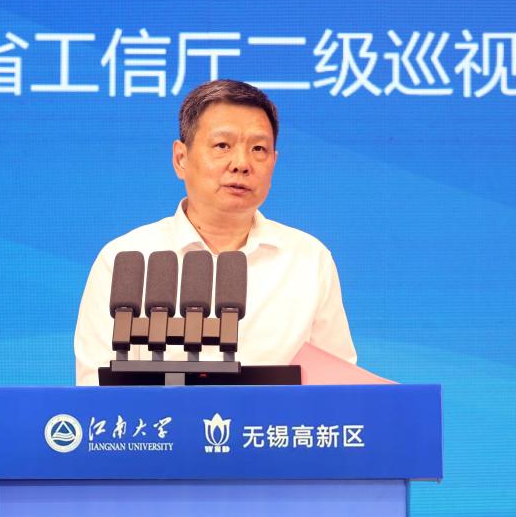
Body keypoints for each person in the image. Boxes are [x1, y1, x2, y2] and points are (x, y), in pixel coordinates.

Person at [74, 79, 356, 385]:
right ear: (181, 159)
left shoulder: (308, 260)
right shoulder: (126, 260)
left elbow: (339, 388)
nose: (242, 164)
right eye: (222, 146)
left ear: (274, 161)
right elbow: (95, 390)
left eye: (258, 149)